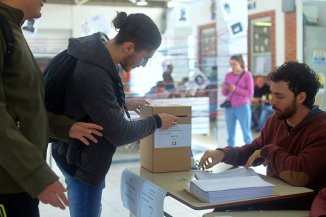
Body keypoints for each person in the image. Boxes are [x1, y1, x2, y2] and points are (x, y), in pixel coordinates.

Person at [50, 12, 179, 217]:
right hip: (81, 164)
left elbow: (88, 102)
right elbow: (120, 133)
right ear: (128, 47)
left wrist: (123, 103)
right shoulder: (94, 72)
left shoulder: (98, 52)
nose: (142, 64)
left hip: (80, 156)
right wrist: (156, 121)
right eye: (144, 58)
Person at [0, 0, 103, 216]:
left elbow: (22, 109)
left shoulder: (11, 29)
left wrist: (64, 127)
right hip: (8, 182)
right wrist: (36, 174)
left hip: (18, 181)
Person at [200, 61, 326, 209]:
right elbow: (255, 150)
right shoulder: (276, 120)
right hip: (274, 197)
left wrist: (269, 151)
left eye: (279, 96)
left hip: (300, 207)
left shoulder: (321, 128)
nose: (272, 102)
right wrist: (223, 154)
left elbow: (298, 175)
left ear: (301, 97)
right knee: (221, 209)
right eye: (271, 94)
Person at [221, 54, 254, 146]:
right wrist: (224, 88)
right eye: (230, 64)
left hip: (242, 107)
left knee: (246, 134)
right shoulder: (228, 75)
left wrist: (235, 89)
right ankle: (230, 156)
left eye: (234, 64)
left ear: (240, 63)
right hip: (229, 107)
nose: (232, 67)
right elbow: (224, 93)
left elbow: (250, 93)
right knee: (230, 135)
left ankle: (250, 155)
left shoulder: (247, 75)